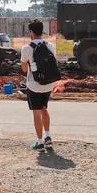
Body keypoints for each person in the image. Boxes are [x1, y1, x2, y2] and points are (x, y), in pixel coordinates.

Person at [19, 19, 58, 150]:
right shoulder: (50, 46)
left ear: (31, 32)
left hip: (34, 85)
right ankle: (48, 136)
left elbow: (24, 69)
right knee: (44, 108)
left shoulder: (27, 48)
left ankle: (39, 141)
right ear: (42, 31)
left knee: (36, 112)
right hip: (48, 84)